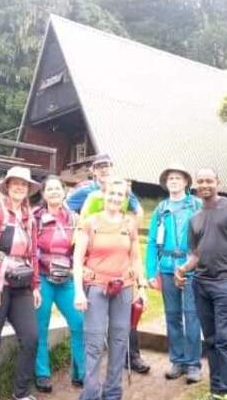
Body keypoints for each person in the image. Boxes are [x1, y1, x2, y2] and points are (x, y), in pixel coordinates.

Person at [67, 153, 150, 374]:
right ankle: (86, 372)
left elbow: (139, 211)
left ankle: (131, 356)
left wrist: (128, 228)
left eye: (107, 165)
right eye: (99, 166)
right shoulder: (87, 191)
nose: (104, 169)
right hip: (94, 253)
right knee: (93, 327)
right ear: (93, 171)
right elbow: (67, 208)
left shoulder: (123, 189)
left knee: (124, 319)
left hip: (120, 252)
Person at [174, 168, 227, 400]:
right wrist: (183, 269)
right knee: (211, 340)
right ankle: (217, 389)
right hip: (201, 284)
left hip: (226, 284)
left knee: (226, 340)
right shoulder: (195, 218)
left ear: (218, 182)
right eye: (201, 181)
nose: (205, 185)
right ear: (195, 186)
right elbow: (196, 255)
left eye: (209, 180)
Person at [0, 166, 42, 400]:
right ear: (7, 186)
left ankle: (21, 393)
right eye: (15, 183)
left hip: (21, 285)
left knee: (31, 338)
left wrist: (35, 285)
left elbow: (33, 255)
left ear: (28, 189)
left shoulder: (30, 218)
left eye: (24, 184)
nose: (19, 187)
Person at [144, 163, 203, 384]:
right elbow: (152, 241)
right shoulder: (160, 209)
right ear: (166, 183)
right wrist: (151, 271)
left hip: (191, 268)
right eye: (171, 178)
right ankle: (177, 361)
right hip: (167, 268)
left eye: (178, 178)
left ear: (186, 182)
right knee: (172, 315)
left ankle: (193, 364)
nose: (174, 181)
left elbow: (205, 235)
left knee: (192, 315)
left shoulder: (196, 205)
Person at [33, 176, 85, 393]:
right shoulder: (35, 218)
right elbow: (30, 250)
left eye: (58, 188)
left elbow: (80, 249)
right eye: (50, 189)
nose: (54, 192)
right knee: (40, 326)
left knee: (79, 322)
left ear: (64, 192)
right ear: (43, 194)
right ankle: (42, 374)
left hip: (66, 280)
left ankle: (81, 372)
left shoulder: (74, 218)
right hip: (43, 279)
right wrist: (34, 283)